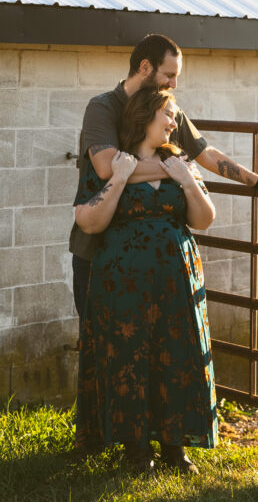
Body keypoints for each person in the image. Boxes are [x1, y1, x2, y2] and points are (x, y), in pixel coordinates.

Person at [69, 33, 258, 322]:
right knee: (101, 341)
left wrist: (255, 181)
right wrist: (174, 168)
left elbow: (204, 153)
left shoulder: (167, 110)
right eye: (169, 75)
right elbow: (108, 168)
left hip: (151, 262)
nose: (174, 84)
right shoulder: (103, 107)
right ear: (145, 67)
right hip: (97, 251)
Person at [74, 86, 218, 473]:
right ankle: (136, 448)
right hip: (122, 282)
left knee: (177, 355)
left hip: (176, 280)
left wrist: (187, 181)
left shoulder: (180, 162)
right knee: (129, 357)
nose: (175, 123)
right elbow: (88, 221)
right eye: (168, 115)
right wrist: (119, 179)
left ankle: (175, 445)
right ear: (145, 115)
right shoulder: (111, 163)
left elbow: (204, 219)